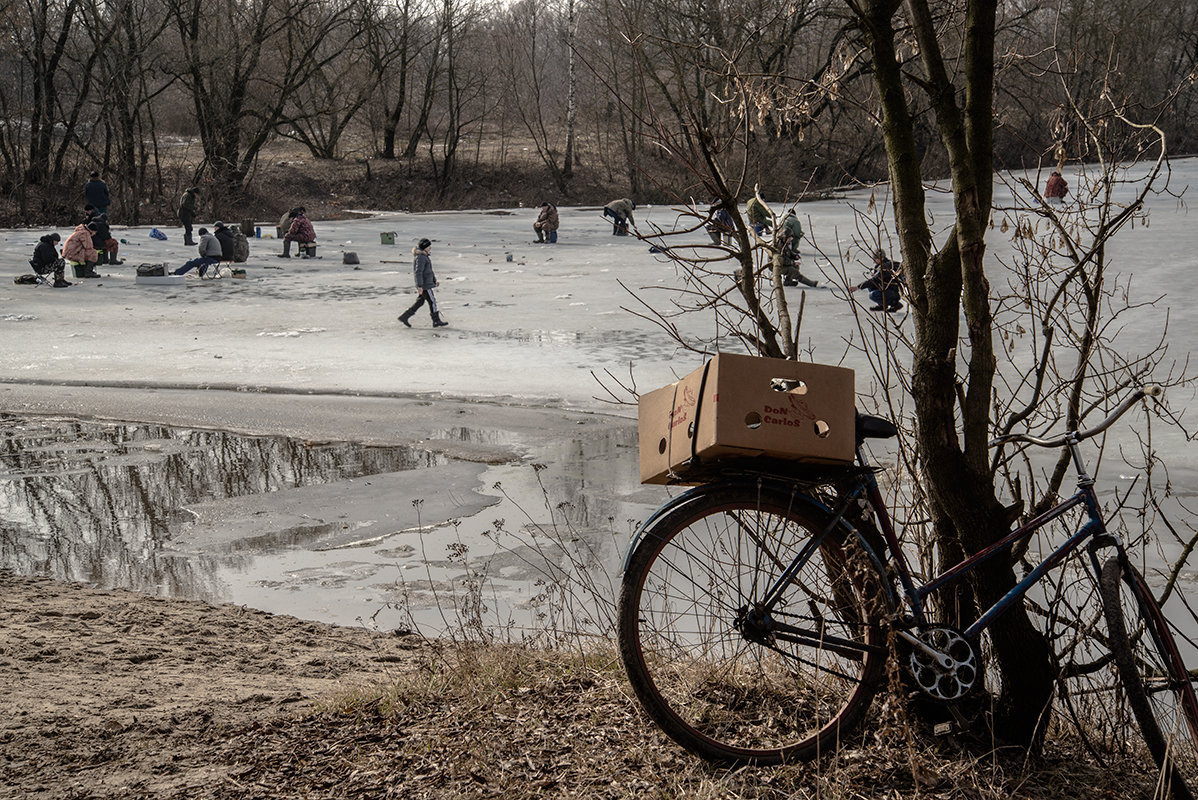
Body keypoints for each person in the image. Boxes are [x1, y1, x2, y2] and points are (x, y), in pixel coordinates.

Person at [398, 238, 448, 328]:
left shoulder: (424, 256)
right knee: (432, 301)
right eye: (429, 246)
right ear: (425, 246)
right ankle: (436, 321)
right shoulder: (420, 257)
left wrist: (434, 281)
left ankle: (404, 317)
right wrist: (420, 286)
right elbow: (418, 272)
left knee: (420, 302)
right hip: (425, 285)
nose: (430, 248)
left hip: (426, 283)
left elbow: (429, 271)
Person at [777, 208, 817, 287]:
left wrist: (794, 256)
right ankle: (811, 283)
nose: (791, 240)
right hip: (776, 266)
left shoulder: (784, 243)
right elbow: (781, 259)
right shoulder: (778, 245)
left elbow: (788, 253)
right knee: (792, 270)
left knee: (795, 266)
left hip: (781, 264)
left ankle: (788, 281)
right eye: (790, 238)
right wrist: (792, 262)